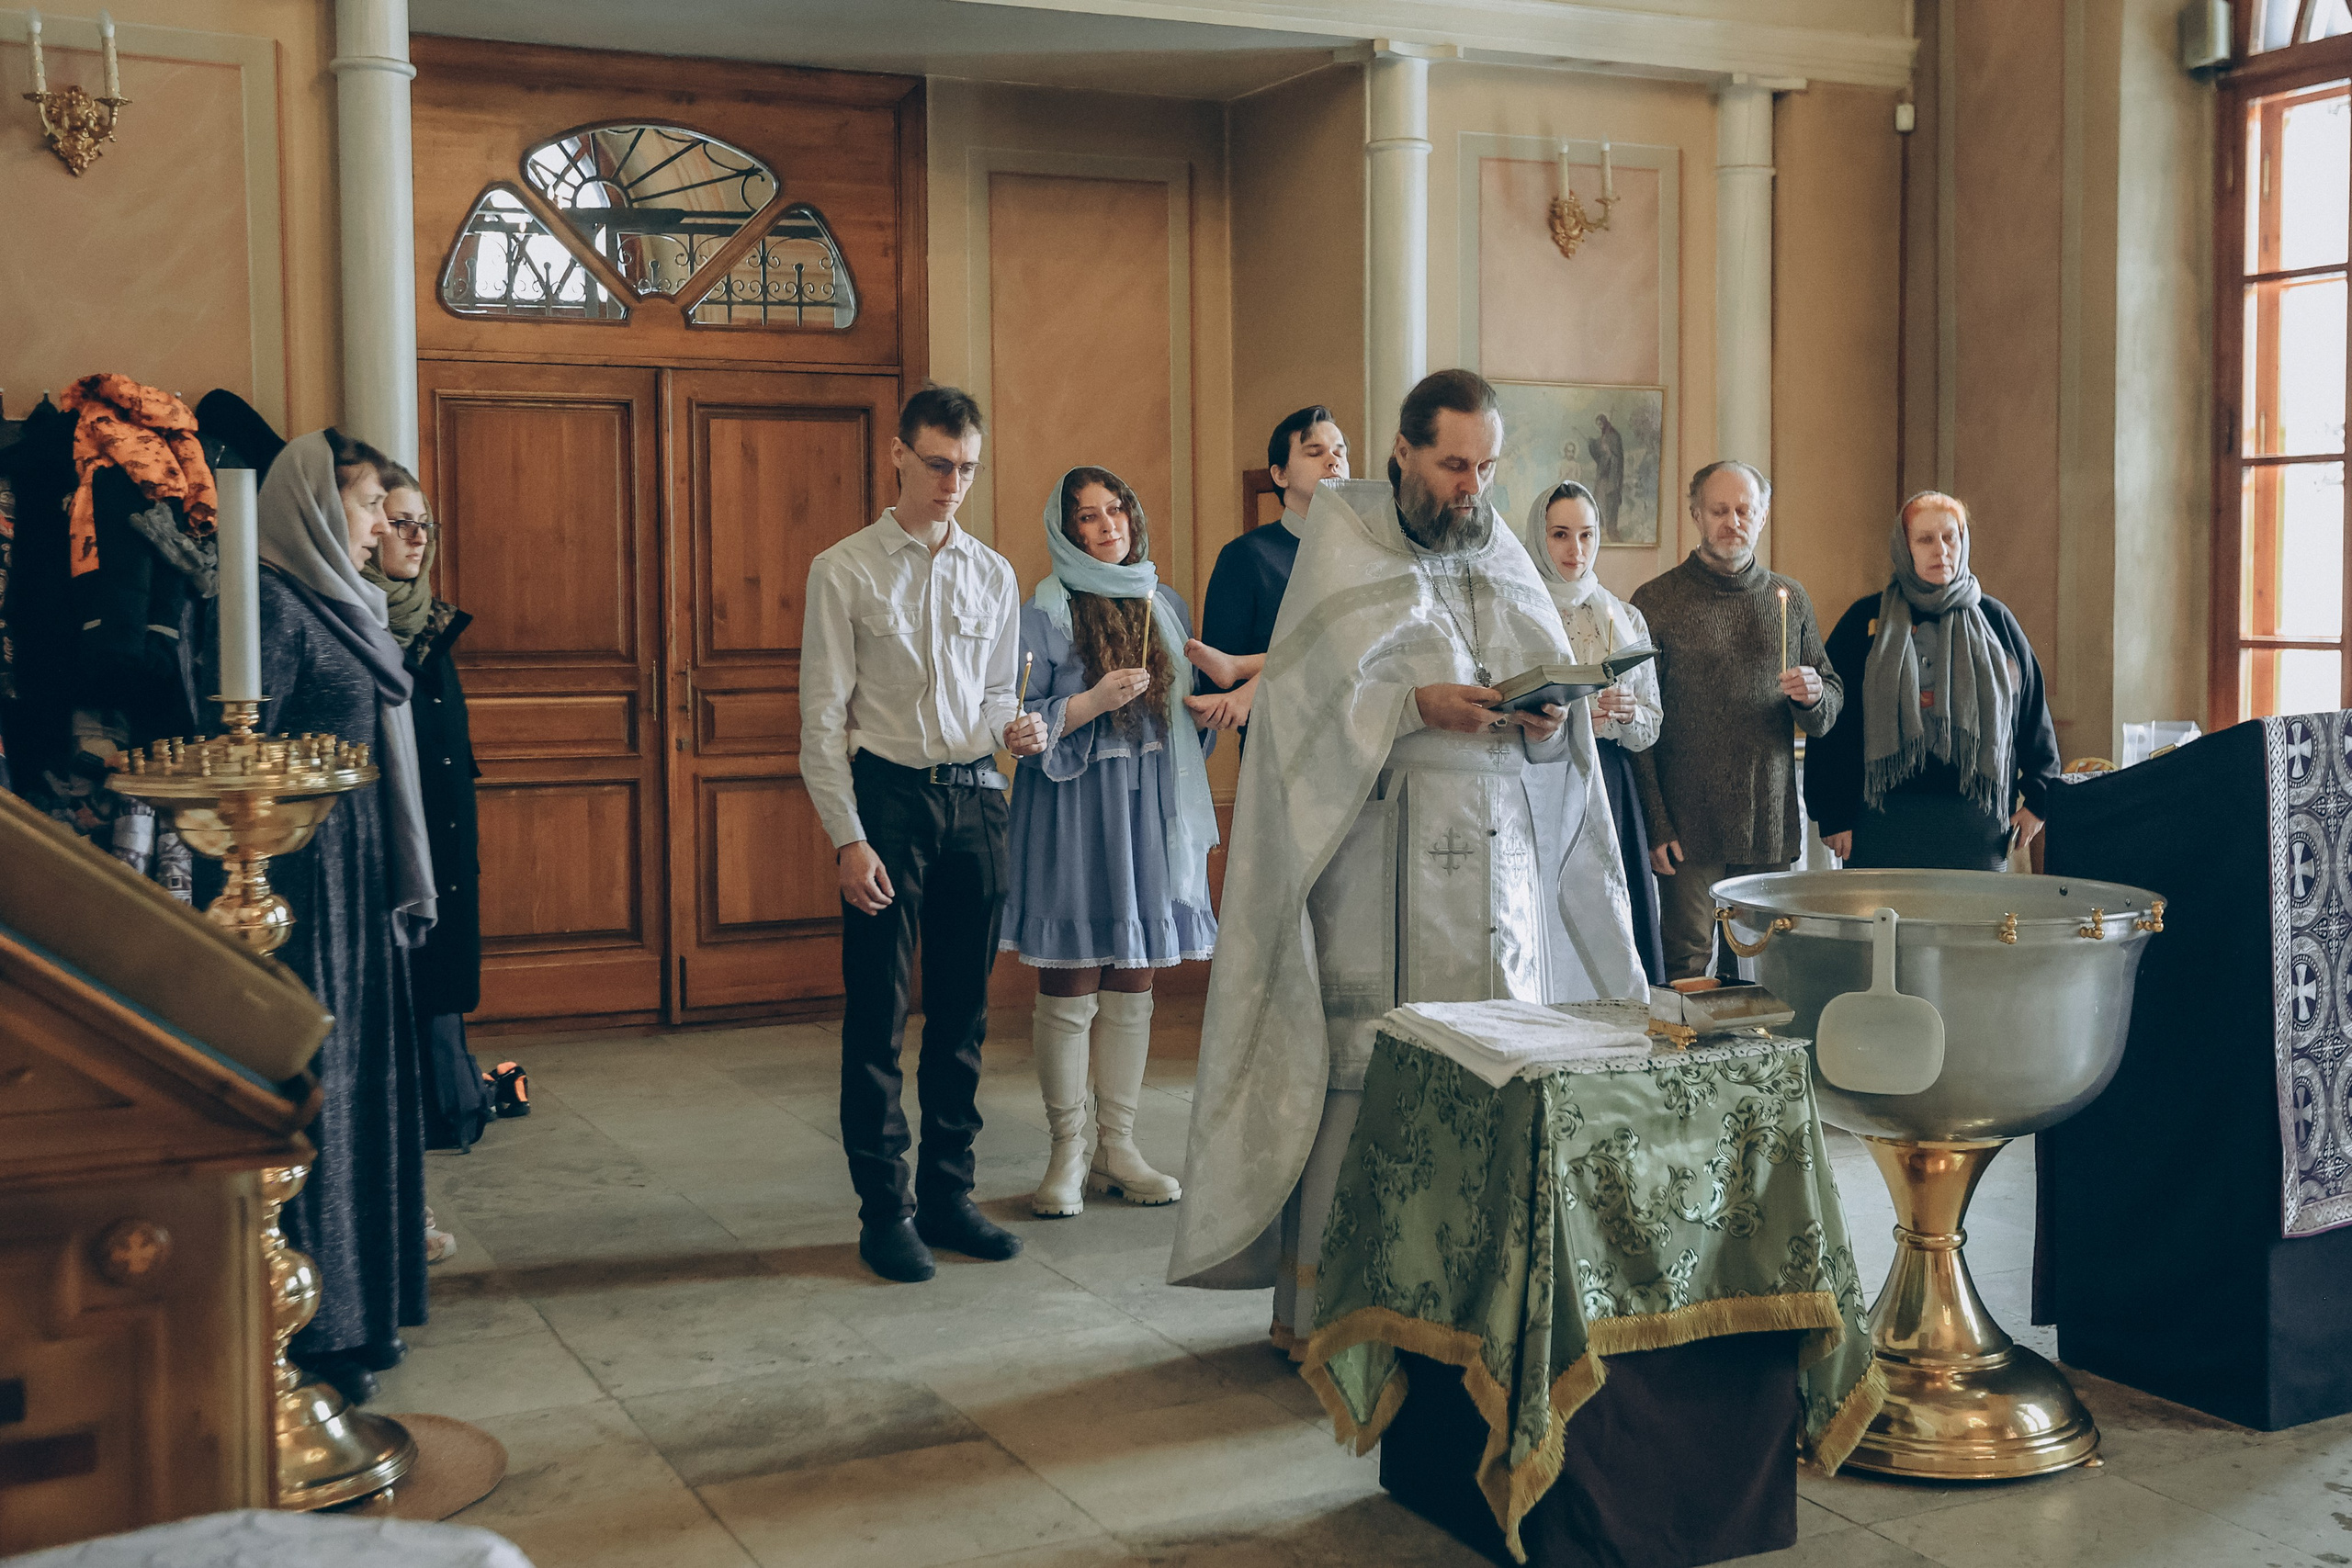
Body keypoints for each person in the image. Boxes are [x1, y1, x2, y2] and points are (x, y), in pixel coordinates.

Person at [1168, 370, 1642, 1351]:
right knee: (1370, 1076)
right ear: (1403, 452)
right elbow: (1296, 709)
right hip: (1375, 864)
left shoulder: (1504, 555)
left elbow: (1559, 742)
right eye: (1453, 464)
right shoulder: (1343, 546)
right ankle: (1345, 1318)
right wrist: (1406, 705)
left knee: (1494, 1070)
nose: (1472, 486)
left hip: (1496, 872)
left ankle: (1470, 1313)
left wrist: (1548, 720)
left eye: (1487, 466)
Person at [800, 386, 1050, 1284]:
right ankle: (884, 1210)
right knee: (877, 1017)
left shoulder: (992, 572)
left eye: (968, 469)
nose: (953, 483)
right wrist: (848, 836)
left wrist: (1019, 730)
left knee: (963, 1016)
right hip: (888, 802)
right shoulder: (846, 569)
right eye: (939, 464)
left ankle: (948, 1195)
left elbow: (992, 699)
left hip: (976, 802)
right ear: (899, 457)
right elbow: (822, 721)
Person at [227, 429, 435, 1403]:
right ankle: (311, 1324)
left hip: (355, 870)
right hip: (302, 876)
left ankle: (364, 1300)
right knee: (319, 1085)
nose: (377, 527)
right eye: (363, 507)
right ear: (313, 508)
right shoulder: (268, 603)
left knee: (362, 1081)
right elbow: (240, 757)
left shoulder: (341, 605)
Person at [1002, 468, 1218, 1218]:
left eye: (1116, 510)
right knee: (1071, 978)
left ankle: (1117, 1150)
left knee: (1134, 979)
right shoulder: (1045, 608)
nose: (1108, 526)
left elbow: (1181, 725)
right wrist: (1090, 704)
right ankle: (1067, 1150)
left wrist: (1211, 712)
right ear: (1067, 532)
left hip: (1148, 810)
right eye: (1088, 517)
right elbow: (1021, 719)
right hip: (1073, 809)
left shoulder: (1165, 602)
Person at [1630, 461, 1842, 981]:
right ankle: (1692, 1063)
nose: (1732, 521)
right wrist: (1655, 823)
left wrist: (1813, 697)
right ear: (1696, 514)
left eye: (1744, 510)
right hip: (1687, 826)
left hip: (1764, 821)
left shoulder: (1788, 600)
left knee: (1760, 968)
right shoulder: (1654, 601)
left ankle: (1753, 1066)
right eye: (1719, 510)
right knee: (1686, 966)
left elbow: (1829, 707)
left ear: (1763, 515)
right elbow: (1635, 727)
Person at [365, 467, 492, 1238]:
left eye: (426, 525)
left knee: (447, 962)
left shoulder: (430, 622)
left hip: (443, 826)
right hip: (391, 836)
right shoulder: (363, 619)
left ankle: (452, 1094)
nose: (418, 537)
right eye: (403, 522)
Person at [1805, 491, 2060, 869]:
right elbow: (1831, 723)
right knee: (1882, 926)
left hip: (1976, 824)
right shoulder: (1864, 621)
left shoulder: (1996, 620)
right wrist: (1834, 814)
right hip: (1881, 822)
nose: (1941, 550)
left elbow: (2033, 716)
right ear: (1904, 547)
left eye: (1950, 537)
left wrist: (2039, 801)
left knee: (1973, 927)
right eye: (1925, 539)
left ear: (1962, 542)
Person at [1522, 481, 1667, 983]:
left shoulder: (1622, 616)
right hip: (1541, 778)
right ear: (1538, 538)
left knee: (1612, 909)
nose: (1575, 550)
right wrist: (1578, 717)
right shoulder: (1520, 611)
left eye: (1586, 535)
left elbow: (1650, 727)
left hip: (1611, 780)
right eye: (1560, 535)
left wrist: (1627, 715)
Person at [1182, 406, 1348, 732]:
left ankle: (1239, 668)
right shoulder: (1245, 557)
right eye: (1315, 452)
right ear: (1280, 475)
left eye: (1339, 452)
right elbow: (1216, 688)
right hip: (1277, 739)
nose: (1333, 461)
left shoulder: (1367, 552)